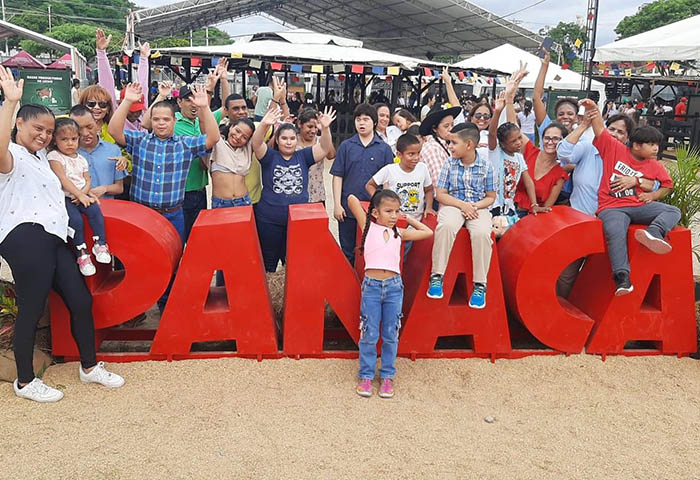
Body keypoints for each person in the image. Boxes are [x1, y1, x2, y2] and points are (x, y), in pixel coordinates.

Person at [0, 66, 123, 403]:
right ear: (20, 125)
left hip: (55, 237)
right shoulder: (12, 157)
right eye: (37, 128)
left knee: (80, 300)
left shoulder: (44, 158)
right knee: (31, 306)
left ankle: (89, 366)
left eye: (48, 131)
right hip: (24, 235)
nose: (43, 135)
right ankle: (25, 381)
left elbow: (76, 137)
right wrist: (9, 103)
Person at [580, 98, 680, 295]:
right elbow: (599, 129)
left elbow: (668, 186)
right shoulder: (615, 149)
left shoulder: (655, 165)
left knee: (673, 211)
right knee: (615, 232)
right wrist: (593, 109)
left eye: (657, 144)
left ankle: (654, 232)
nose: (656, 149)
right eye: (651, 144)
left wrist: (653, 195)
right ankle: (622, 278)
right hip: (612, 207)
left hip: (638, 206)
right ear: (635, 145)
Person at [348, 190, 432, 398]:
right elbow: (351, 199)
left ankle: (387, 376)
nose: (394, 215)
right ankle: (366, 375)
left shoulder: (400, 233)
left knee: (390, 333)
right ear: (376, 212)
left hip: (394, 287)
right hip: (372, 287)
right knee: (369, 333)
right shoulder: (368, 227)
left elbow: (427, 232)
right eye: (389, 211)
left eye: (396, 211)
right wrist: (373, 204)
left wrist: (408, 218)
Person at [252, 105, 336, 272]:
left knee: (293, 262)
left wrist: (325, 129)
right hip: (269, 219)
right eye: (284, 138)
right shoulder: (269, 156)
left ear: (296, 140)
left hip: (297, 220)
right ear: (277, 140)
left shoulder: (303, 156)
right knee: (268, 262)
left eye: (292, 138)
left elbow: (324, 148)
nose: (288, 142)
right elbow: (256, 143)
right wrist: (264, 124)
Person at [427, 124, 496, 308]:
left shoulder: (486, 166)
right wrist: (462, 205)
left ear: (469, 144)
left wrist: (473, 206)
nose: (450, 146)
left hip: (477, 207)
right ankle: (437, 275)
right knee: (446, 226)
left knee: (482, 233)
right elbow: (441, 194)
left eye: (454, 143)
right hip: (453, 203)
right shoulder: (449, 164)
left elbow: (491, 197)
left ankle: (480, 284)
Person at [47, 118, 113, 276]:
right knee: (75, 220)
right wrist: (79, 195)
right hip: (65, 197)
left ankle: (100, 244)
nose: (70, 143)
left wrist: (83, 193)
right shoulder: (54, 157)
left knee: (95, 212)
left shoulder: (81, 159)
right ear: (55, 140)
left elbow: (88, 179)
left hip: (82, 195)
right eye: (64, 139)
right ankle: (82, 253)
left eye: (74, 139)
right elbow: (63, 179)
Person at [331, 103, 395, 266]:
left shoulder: (384, 149)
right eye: (358, 119)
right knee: (347, 250)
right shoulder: (346, 146)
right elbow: (338, 176)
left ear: (374, 122)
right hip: (347, 209)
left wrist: (386, 209)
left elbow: (387, 182)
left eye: (366, 119)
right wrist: (337, 204)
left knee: (371, 249)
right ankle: (348, 279)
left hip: (373, 210)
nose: (361, 123)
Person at [366, 133, 435, 257]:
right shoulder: (390, 170)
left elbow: (429, 189)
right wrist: (380, 202)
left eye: (418, 153)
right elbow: (370, 185)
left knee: (407, 254)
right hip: (394, 221)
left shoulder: (422, 168)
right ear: (399, 154)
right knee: (393, 252)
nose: (416, 158)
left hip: (415, 221)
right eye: (411, 154)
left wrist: (428, 207)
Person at [488, 92, 549, 221]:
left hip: (509, 208)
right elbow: (492, 134)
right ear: (503, 144)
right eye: (513, 141)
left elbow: (528, 182)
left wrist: (534, 205)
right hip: (491, 206)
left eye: (519, 138)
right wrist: (497, 112)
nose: (519, 143)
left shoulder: (519, 158)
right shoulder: (496, 152)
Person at [70, 104, 128, 200]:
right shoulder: (67, 153)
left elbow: (119, 188)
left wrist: (105, 189)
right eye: (79, 129)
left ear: (96, 124)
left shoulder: (113, 150)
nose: (85, 133)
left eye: (89, 127)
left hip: (108, 207)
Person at [419, 103, 462, 194]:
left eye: (452, 125)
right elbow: (438, 184)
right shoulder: (432, 148)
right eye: (446, 126)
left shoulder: (446, 145)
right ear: (434, 128)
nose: (451, 129)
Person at [296, 108, 336, 204]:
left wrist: (325, 129)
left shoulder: (321, 141)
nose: (313, 131)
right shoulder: (292, 141)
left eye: (316, 127)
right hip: (296, 193)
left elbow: (331, 155)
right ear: (300, 124)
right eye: (309, 127)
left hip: (317, 194)